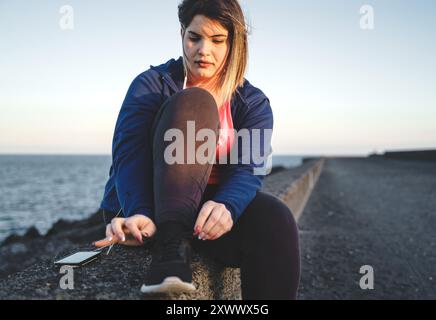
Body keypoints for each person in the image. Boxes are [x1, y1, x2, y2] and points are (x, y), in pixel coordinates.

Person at [94, 0, 300, 300]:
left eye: (217, 40)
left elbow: (250, 168)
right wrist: (139, 210)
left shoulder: (253, 102)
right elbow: (129, 156)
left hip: (205, 219)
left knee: (277, 220)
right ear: (182, 34)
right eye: (195, 37)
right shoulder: (151, 85)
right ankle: (170, 251)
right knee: (195, 104)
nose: (204, 49)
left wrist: (228, 205)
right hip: (148, 216)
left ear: (234, 43)